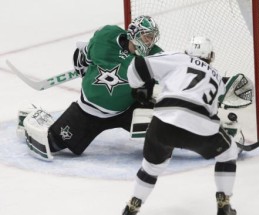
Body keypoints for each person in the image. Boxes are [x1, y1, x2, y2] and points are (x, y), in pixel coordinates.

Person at [121, 36, 253, 215]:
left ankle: (132, 206)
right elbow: (238, 94)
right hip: (200, 126)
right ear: (211, 56)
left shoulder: (178, 58)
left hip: (163, 123)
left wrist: (138, 85)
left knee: (152, 166)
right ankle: (224, 205)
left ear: (187, 51)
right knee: (228, 153)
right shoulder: (217, 77)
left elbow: (138, 66)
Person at [20, 15, 162, 161]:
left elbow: (170, 83)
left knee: (164, 127)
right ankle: (30, 117)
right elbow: (83, 57)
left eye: (152, 38)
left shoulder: (155, 56)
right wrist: (82, 64)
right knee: (51, 144)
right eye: (147, 37)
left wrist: (149, 90)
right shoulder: (106, 38)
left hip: (126, 110)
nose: (150, 42)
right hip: (89, 111)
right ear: (134, 34)